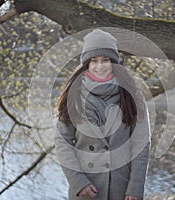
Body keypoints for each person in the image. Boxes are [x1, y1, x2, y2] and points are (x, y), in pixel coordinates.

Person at [55, 29, 150, 200]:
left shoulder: (133, 96)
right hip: (87, 189)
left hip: (121, 188)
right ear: (87, 65)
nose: (100, 66)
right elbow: (63, 143)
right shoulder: (73, 96)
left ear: (113, 63)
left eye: (105, 60)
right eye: (94, 61)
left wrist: (135, 187)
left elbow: (141, 145)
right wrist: (78, 182)